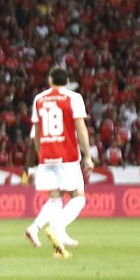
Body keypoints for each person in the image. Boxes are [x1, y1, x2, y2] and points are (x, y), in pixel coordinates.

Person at [24, 67, 93, 258]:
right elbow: (81, 129)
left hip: (46, 155)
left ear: (50, 80)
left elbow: (36, 134)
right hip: (67, 156)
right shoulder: (73, 98)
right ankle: (56, 227)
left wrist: (41, 155)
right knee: (78, 198)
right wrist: (87, 155)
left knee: (55, 200)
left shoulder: (39, 99)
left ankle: (53, 239)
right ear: (68, 80)